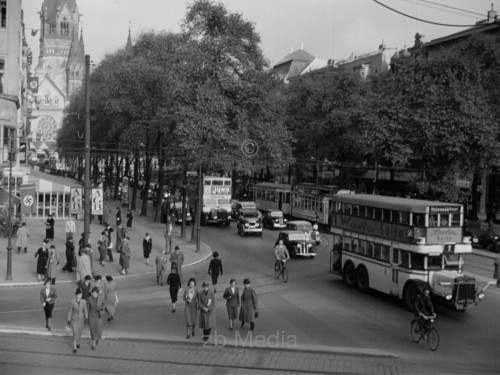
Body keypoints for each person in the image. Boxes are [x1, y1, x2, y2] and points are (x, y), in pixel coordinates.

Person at [67, 287, 88, 354]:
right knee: (75, 333)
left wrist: (86, 318)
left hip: (81, 319)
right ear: (76, 295)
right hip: (74, 320)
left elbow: (85, 310)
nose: (79, 296)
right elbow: (70, 311)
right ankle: (75, 347)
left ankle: (78, 342)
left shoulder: (84, 301)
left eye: (81, 294)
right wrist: (68, 320)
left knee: (80, 332)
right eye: (78, 294)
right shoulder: (72, 302)